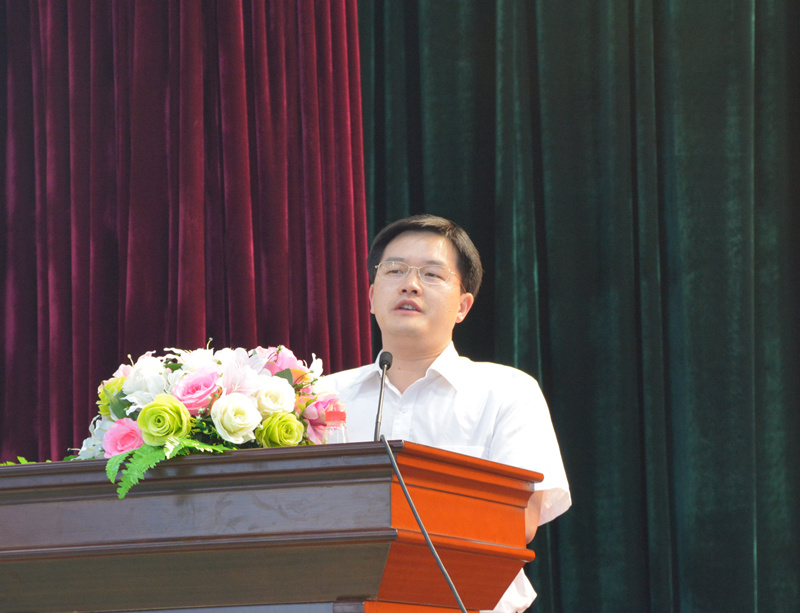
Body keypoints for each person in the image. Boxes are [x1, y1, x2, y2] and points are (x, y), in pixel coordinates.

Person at [323, 215, 570, 612]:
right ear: (370, 297)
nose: (410, 284)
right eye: (394, 270)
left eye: (432, 274)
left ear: (463, 306)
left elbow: (518, 521)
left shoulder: (507, 391)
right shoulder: (321, 396)